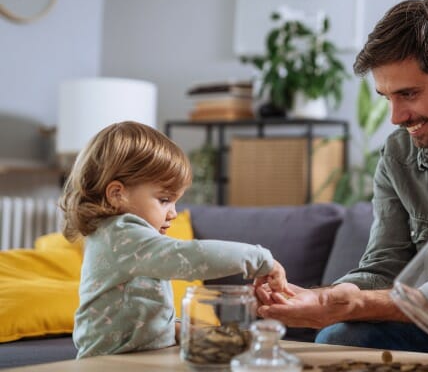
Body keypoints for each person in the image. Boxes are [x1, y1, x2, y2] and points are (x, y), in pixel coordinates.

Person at [255, 0, 428, 359]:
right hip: (427, 319)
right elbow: (384, 264)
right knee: (340, 338)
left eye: (409, 94)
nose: (397, 116)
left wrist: (352, 304)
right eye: (386, 97)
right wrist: (324, 297)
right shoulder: (398, 154)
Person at [59, 121, 293, 358]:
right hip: (106, 364)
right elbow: (190, 256)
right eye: (164, 200)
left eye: (175, 201)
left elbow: (136, 308)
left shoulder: (127, 241)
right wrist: (260, 259)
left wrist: (178, 330)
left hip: (138, 358)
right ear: (118, 194)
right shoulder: (121, 234)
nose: (173, 213)